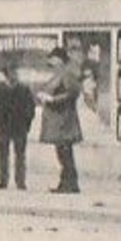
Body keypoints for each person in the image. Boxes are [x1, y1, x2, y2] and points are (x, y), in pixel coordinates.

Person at [36, 45, 83, 193]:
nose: (51, 62)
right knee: (63, 153)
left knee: (65, 153)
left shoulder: (67, 74)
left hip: (64, 121)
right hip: (58, 121)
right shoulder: (59, 73)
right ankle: (66, 183)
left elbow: (72, 93)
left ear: (59, 60)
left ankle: (70, 184)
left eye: (54, 59)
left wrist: (52, 99)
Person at [0, 64, 36, 190]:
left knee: (20, 155)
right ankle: (3, 181)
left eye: (16, 73)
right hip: (3, 127)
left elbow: (30, 108)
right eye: (11, 73)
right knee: (3, 154)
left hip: (20, 127)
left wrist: (26, 123)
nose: (14, 76)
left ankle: (20, 181)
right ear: (6, 75)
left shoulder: (24, 89)